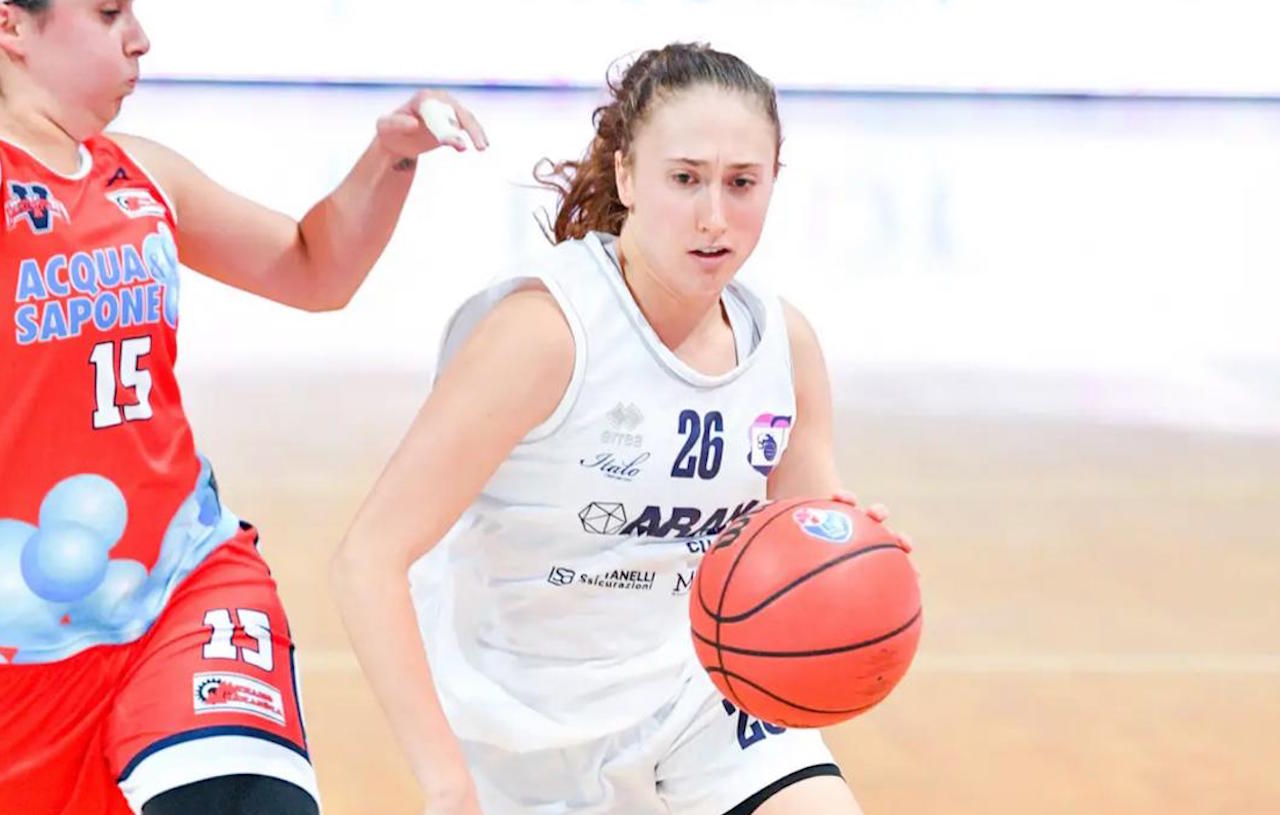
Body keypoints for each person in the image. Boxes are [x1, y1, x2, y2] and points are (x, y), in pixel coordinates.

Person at [333, 42, 905, 815]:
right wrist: (444, 783)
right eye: (685, 178)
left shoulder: (783, 344)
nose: (714, 216)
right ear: (628, 176)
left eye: (742, 183)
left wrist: (858, 555)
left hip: (703, 697)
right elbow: (367, 557)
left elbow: (809, 535)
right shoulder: (544, 334)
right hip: (530, 727)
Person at [0, 1, 488, 813]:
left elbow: (314, 268)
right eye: (108, 12)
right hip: (29, 643)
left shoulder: (143, 174)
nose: (139, 37)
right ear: (12, 26)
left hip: (183, 582)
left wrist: (390, 154)